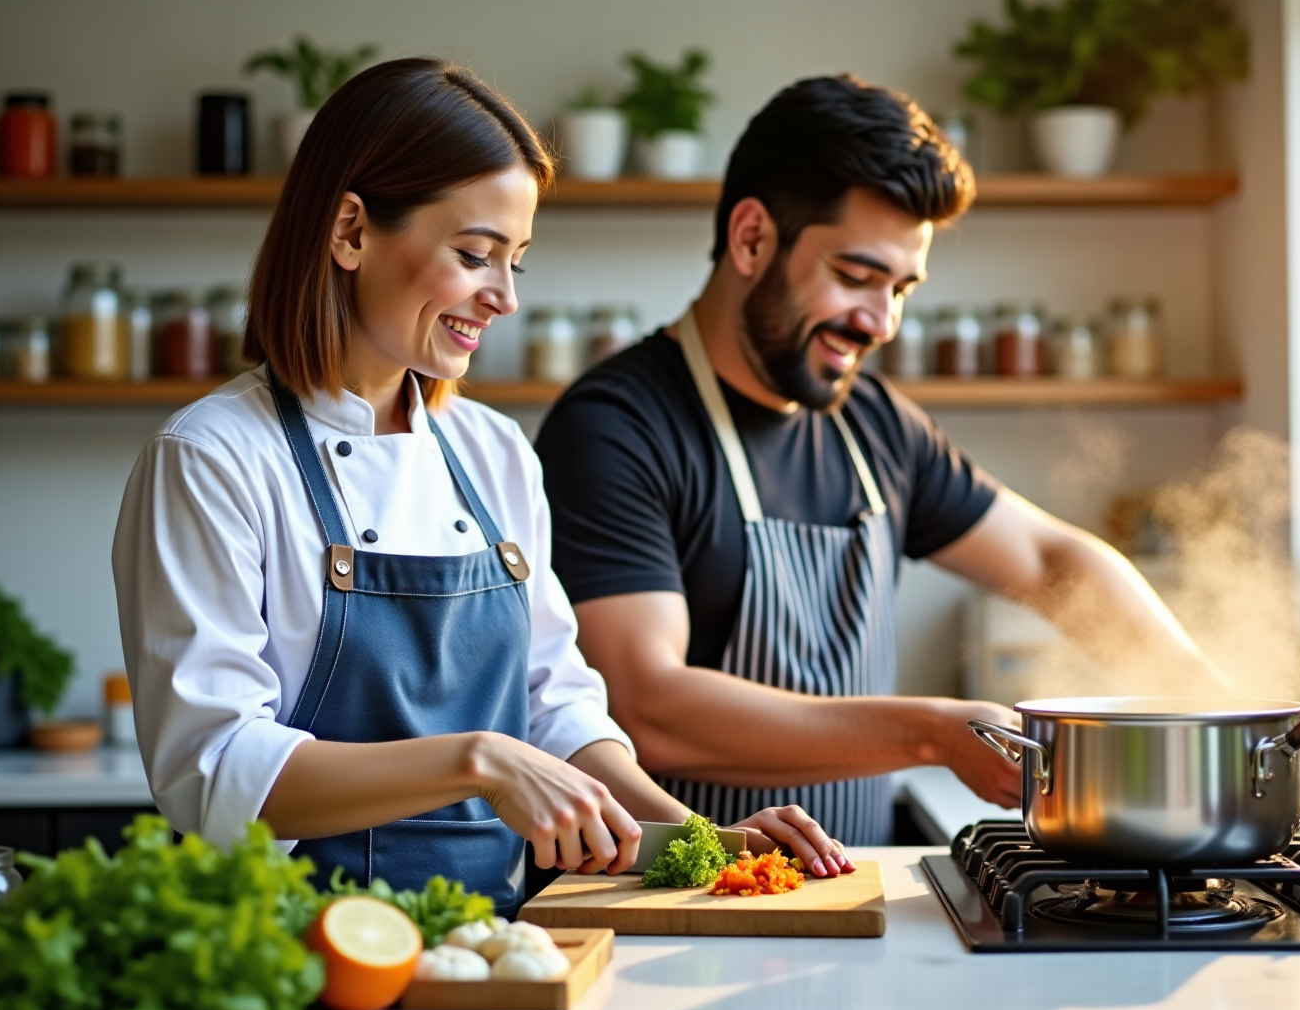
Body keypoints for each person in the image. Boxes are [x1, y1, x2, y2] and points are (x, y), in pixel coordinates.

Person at [111, 59, 847, 913]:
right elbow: (215, 771)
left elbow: (555, 705)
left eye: (516, 264)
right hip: (294, 957)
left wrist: (701, 842)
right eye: (474, 256)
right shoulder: (212, 458)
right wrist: (479, 761)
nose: (503, 298)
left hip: (494, 945)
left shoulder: (494, 452)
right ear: (350, 231)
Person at [536, 75, 1224, 844]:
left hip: (853, 900)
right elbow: (649, 707)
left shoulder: (875, 425)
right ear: (752, 237)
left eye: (902, 288)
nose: (882, 322)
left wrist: (1219, 707)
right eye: (856, 278)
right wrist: (932, 732)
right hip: (681, 918)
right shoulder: (616, 427)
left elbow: (1048, 560)